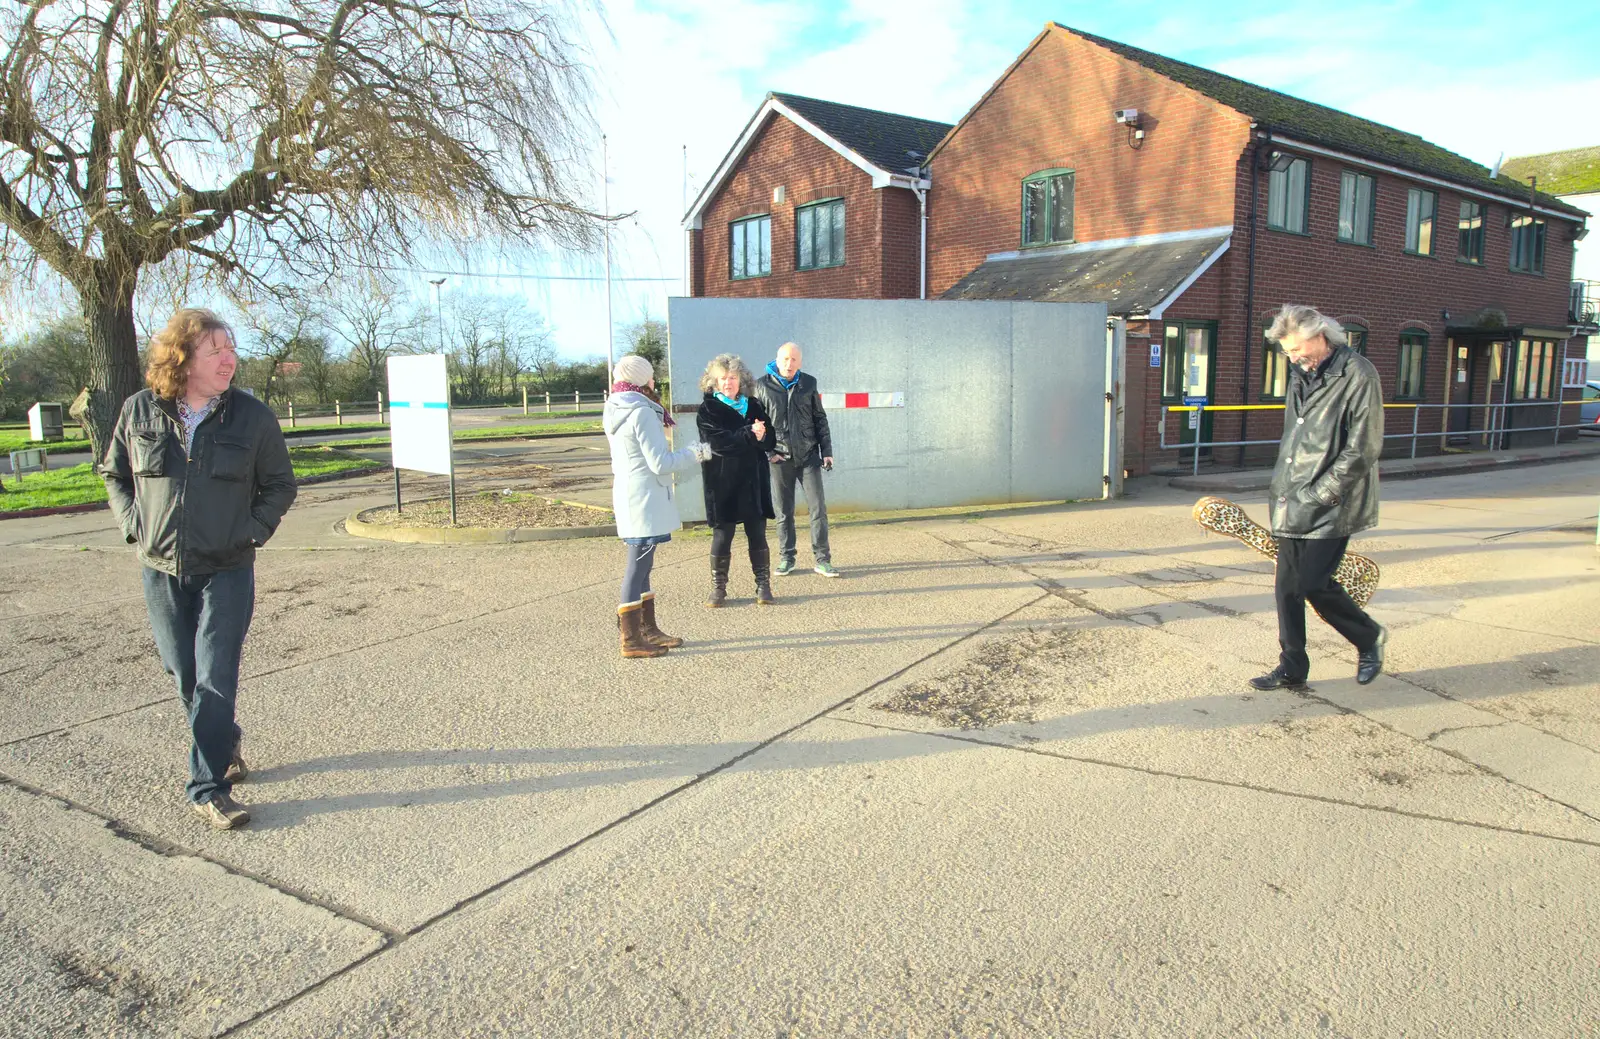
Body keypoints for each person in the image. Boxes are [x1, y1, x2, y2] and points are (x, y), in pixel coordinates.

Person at [101, 309, 296, 830]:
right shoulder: (138, 410)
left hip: (227, 569)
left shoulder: (252, 417)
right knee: (183, 674)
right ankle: (224, 738)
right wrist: (133, 526)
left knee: (214, 677)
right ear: (181, 358)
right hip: (160, 566)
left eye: (231, 349)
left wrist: (250, 531)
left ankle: (208, 786)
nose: (229, 359)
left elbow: (281, 485)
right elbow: (115, 474)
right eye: (216, 351)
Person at [1250, 304, 1387, 691]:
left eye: (1297, 349)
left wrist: (1322, 492)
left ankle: (1368, 637)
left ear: (1321, 335)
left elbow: (1364, 447)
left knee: (1312, 582)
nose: (1293, 358)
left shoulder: (1358, 373)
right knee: (1287, 589)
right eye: (1288, 352)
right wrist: (1288, 489)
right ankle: (1292, 665)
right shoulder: (1301, 373)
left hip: (1333, 499)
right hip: (1291, 495)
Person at [604, 354, 712, 658]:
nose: (654, 381)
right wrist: (695, 453)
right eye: (650, 376)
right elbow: (660, 463)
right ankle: (630, 639)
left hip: (631, 494)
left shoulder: (615, 406)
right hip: (645, 497)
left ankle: (647, 630)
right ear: (642, 379)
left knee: (644, 564)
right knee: (637, 566)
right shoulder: (641, 413)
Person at [696, 353, 777, 606]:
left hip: (754, 481)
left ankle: (763, 586)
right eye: (722, 378)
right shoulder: (708, 408)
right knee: (722, 536)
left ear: (741, 381)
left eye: (732, 377)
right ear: (714, 382)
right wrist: (750, 433)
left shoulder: (753, 405)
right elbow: (717, 443)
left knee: (758, 534)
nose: (728, 383)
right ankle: (718, 589)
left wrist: (763, 437)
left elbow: (771, 440)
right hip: (722, 482)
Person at [753, 341, 838, 578]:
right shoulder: (761, 386)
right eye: (785, 359)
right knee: (783, 511)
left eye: (794, 360)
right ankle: (786, 557)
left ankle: (822, 559)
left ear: (800, 362)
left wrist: (826, 451)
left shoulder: (808, 383)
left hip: (809, 456)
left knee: (818, 509)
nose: (789, 364)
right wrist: (769, 452)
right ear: (777, 360)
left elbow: (820, 418)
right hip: (779, 459)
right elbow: (757, 426)